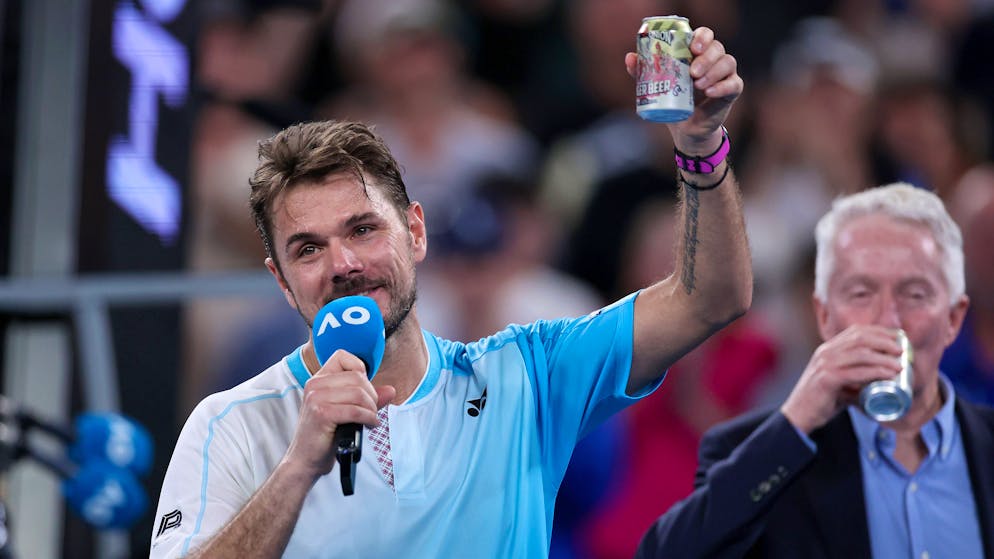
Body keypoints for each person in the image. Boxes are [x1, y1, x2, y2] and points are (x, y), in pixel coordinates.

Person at [150, 26, 751, 558]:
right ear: (280, 280)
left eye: (363, 229)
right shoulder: (228, 424)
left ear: (415, 231)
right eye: (307, 249)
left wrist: (701, 150)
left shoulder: (527, 376)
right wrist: (297, 466)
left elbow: (711, 298)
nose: (344, 263)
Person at [636, 183, 994, 559]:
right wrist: (793, 424)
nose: (889, 320)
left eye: (915, 294)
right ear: (823, 316)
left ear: (954, 318)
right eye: (861, 293)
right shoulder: (757, 454)